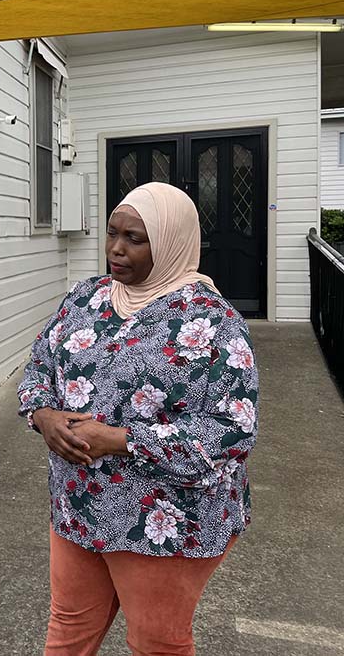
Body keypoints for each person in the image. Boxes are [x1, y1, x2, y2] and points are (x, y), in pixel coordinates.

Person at [17, 182, 259, 655]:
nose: (116, 249)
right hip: (79, 506)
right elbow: (39, 365)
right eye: (111, 233)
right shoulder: (86, 298)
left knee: (157, 642)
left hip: (163, 518)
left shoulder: (214, 322)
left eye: (135, 238)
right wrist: (42, 413)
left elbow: (231, 431)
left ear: (170, 243)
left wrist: (122, 440)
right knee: (68, 628)